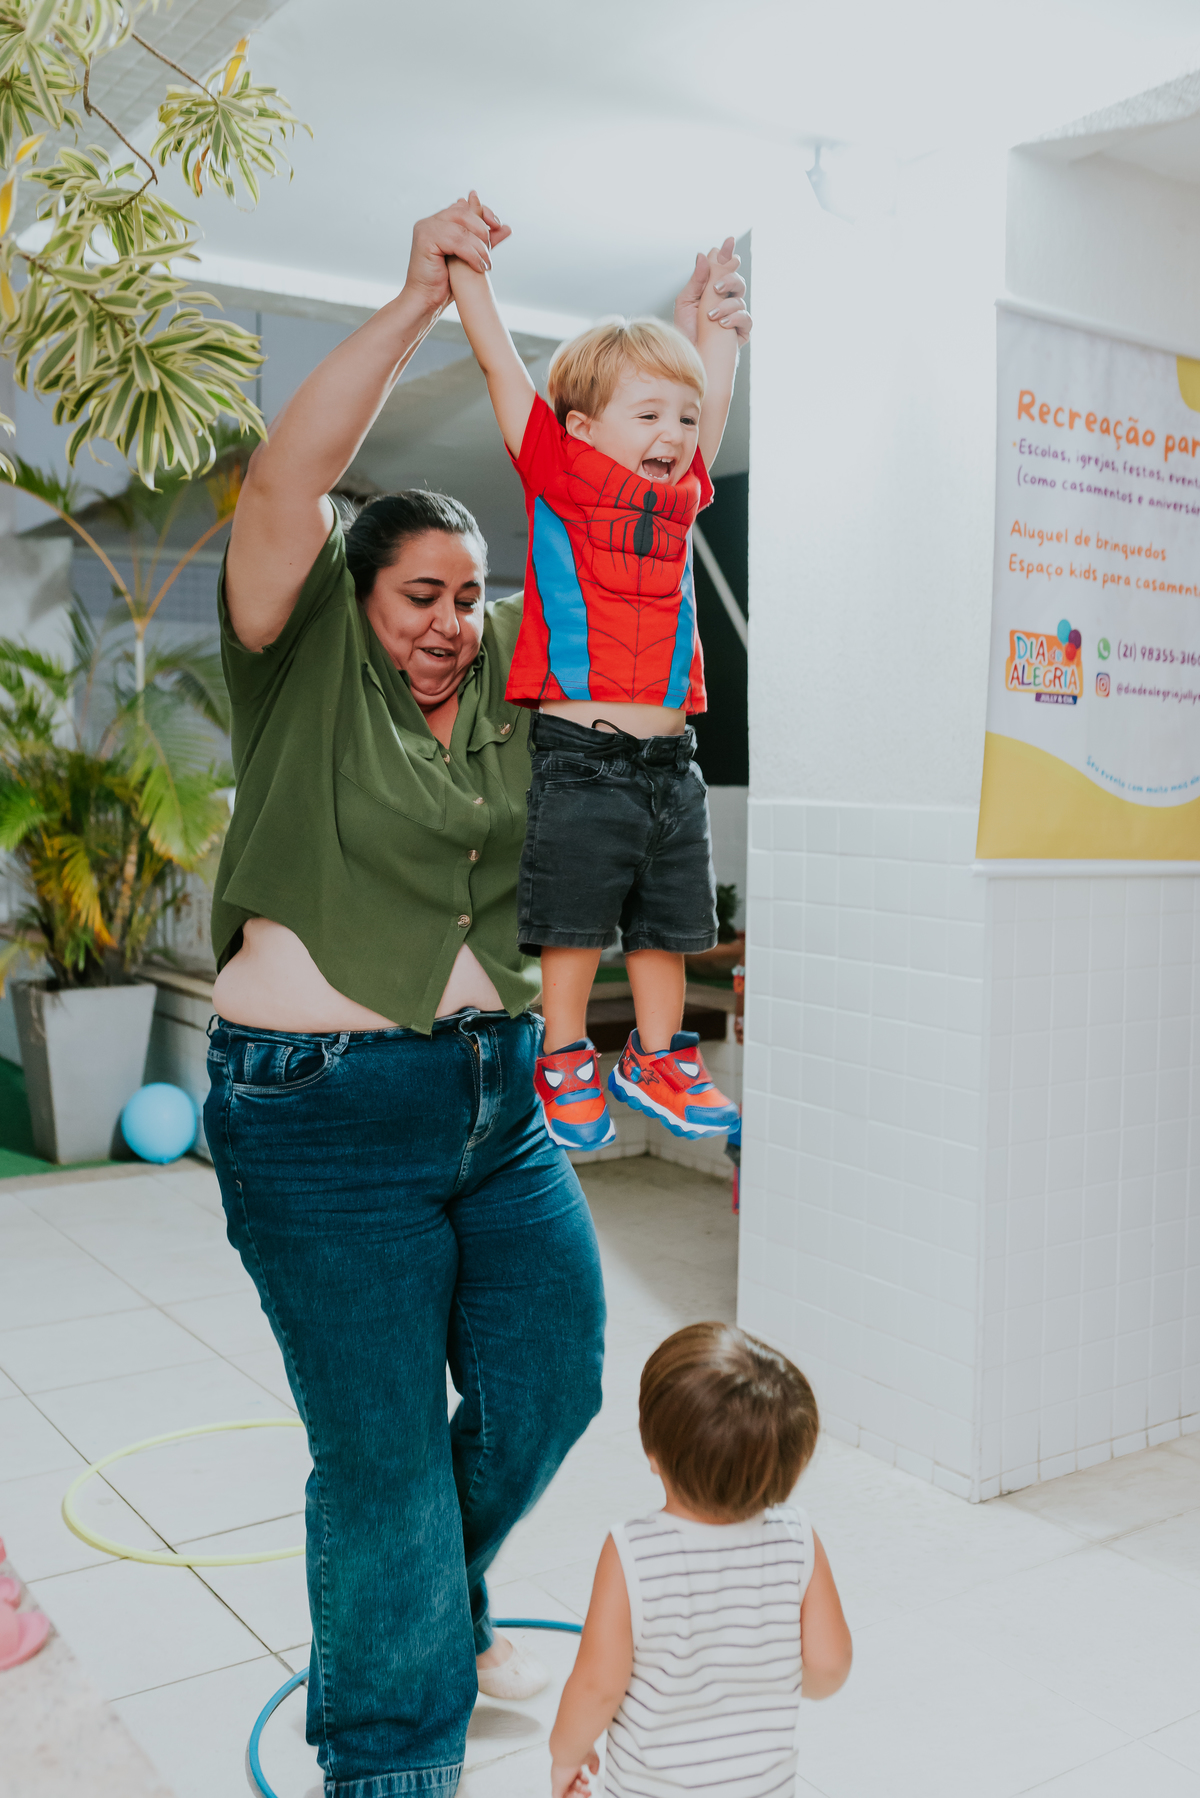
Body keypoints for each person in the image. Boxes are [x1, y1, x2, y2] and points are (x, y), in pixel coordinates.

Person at [202, 197, 752, 1796]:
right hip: (318, 1113)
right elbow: (290, 480)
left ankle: (415, 1598)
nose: (451, 621)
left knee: (552, 1373)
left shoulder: (524, 687)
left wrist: (702, 351)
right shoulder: (296, 658)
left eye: (470, 596)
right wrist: (415, 306)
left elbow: (637, 489)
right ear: (352, 594)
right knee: (375, 1459)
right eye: (419, 594)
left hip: (498, 1099)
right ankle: (391, 1756)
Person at [447, 201, 750, 1153]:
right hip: (582, 756)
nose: (676, 431)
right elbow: (502, 369)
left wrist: (716, 323)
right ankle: (566, 1051)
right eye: (649, 413)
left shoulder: (679, 498)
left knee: (668, 924)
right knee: (574, 925)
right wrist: (469, 276)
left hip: (672, 763)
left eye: (684, 417)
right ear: (581, 425)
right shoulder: (559, 473)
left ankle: (661, 1057)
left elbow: (717, 404)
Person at [548, 1323, 853, 1797]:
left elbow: (597, 1687)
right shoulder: (798, 1540)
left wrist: (566, 1755)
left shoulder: (631, 1552)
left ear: (653, 1451)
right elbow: (829, 1667)